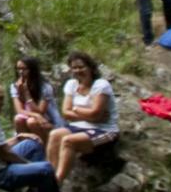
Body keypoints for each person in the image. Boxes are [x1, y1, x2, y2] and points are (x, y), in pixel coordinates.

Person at [49, 52, 119, 181]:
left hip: (103, 130)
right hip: (78, 126)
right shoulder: (71, 84)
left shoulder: (101, 85)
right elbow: (65, 112)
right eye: (74, 68)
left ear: (90, 68)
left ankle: (57, 182)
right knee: (55, 135)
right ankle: (49, 175)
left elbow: (95, 113)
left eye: (81, 67)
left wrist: (75, 109)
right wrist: (87, 114)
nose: (77, 71)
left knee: (68, 141)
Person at [8, 56, 61, 140]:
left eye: (24, 69)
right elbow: (19, 110)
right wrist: (35, 115)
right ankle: (26, 144)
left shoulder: (45, 87)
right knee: (18, 119)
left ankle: (44, 147)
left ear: (32, 70)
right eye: (18, 69)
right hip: (31, 116)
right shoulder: (15, 86)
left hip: (48, 119)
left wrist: (26, 93)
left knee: (31, 122)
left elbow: (40, 111)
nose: (21, 72)